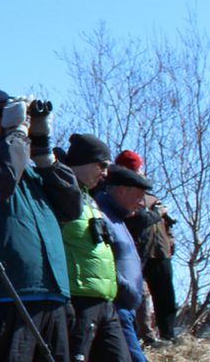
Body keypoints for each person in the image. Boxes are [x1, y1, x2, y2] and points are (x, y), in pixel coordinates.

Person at [0, 87, 80, 362]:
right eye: (2, 113)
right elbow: (4, 180)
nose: (13, 119)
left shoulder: (26, 167)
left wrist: (44, 153)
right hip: (3, 295)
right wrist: (18, 133)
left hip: (52, 293)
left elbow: (71, 207)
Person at [56, 134, 129, 362]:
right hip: (78, 301)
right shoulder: (58, 193)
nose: (105, 173)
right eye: (101, 165)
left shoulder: (90, 199)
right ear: (83, 162)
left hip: (105, 301)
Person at [114, 151, 177, 346]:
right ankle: (140, 337)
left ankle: (168, 335)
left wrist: (170, 243)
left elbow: (167, 225)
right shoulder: (124, 196)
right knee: (137, 298)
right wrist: (156, 213)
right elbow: (137, 221)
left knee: (165, 296)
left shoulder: (151, 198)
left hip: (161, 252)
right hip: (138, 253)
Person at [93, 167, 151, 362]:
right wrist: (126, 289)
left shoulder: (117, 218)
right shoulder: (101, 216)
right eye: (139, 196)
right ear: (121, 191)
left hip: (125, 307)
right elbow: (100, 263)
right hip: (116, 306)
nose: (141, 203)